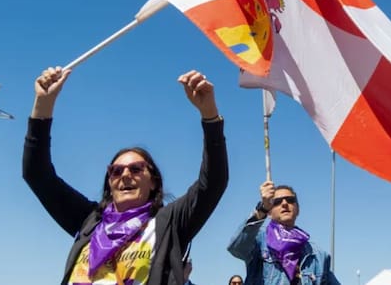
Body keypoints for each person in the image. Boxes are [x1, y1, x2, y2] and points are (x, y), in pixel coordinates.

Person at [23, 67, 229, 285]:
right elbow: (36, 174)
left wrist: (210, 115)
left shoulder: (168, 223)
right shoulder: (89, 220)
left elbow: (214, 181)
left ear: (153, 182)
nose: (125, 175)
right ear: (109, 182)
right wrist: (43, 104)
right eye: (116, 171)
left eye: (136, 169)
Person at [228, 181, 339, 284]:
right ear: (270, 212)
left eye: (290, 200)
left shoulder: (317, 255)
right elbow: (236, 247)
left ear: (298, 209)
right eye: (277, 202)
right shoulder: (259, 242)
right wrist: (262, 209)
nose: (285, 203)